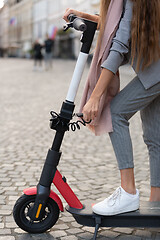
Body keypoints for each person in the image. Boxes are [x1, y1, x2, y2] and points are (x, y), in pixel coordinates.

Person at [63, 0, 160, 216]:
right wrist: (83, 15)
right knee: (155, 139)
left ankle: (128, 192)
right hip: (153, 68)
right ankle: (157, 204)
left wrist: (96, 96)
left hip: (155, 70)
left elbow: (119, 43)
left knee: (115, 113)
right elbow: (117, 26)